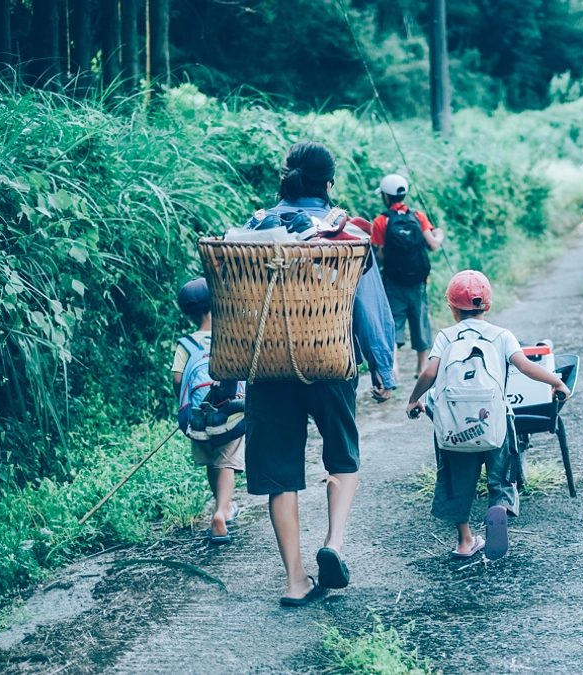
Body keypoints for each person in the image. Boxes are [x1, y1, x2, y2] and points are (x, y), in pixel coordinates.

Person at [242, 141, 397, 607]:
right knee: (341, 456)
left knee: (280, 474)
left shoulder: (253, 227)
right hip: (329, 361)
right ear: (327, 183)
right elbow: (370, 304)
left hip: (267, 367)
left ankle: (294, 581)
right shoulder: (347, 230)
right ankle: (333, 543)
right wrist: (382, 367)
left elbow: (234, 302)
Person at [406, 270, 570, 561]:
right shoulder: (501, 336)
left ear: (452, 308)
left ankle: (465, 541)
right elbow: (525, 367)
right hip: (495, 421)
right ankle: (500, 507)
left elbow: (429, 373)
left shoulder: (445, 337)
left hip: (455, 429)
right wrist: (556, 382)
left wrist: (413, 399)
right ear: (488, 306)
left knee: (458, 481)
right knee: (502, 475)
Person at [172, 277, 245, 545]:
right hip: (230, 414)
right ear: (216, 305)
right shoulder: (230, 339)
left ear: (189, 314)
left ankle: (221, 506)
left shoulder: (186, 344)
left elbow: (179, 380)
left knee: (212, 460)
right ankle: (222, 510)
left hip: (198, 418)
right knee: (227, 460)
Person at [371, 174, 445, 380]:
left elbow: (380, 254)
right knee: (420, 321)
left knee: (394, 322)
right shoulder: (418, 216)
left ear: (386, 196)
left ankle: (393, 366)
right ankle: (421, 368)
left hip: (393, 283)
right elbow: (433, 244)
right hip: (419, 283)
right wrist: (439, 233)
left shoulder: (381, 221)